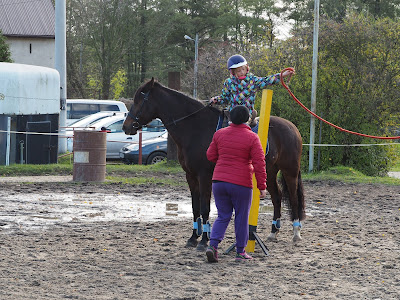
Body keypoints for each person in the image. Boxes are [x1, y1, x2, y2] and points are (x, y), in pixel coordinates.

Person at [205, 105, 267, 263]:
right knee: (241, 217)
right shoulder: (252, 137)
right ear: (248, 119)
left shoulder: (219, 134)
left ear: (230, 118)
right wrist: (262, 186)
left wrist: (225, 159)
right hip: (241, 183)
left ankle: (213, 246)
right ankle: (240, 252)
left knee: (223, 216)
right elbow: (259, 163)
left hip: (219, 181)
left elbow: (210, 155)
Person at [210, 54, 295, 126]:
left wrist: (281, 75)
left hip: (247, 114)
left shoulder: (253, 80)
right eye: (238, 71)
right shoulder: (229, 82)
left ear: (246, 68)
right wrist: (216, 100)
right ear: (233, 72)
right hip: (233, 113)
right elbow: (225, 97)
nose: (242, 72)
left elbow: (267, 80)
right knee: (224, 126)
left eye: (243, 69)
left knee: (242, 129)